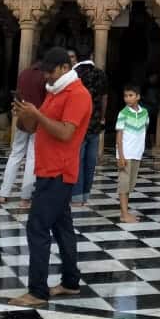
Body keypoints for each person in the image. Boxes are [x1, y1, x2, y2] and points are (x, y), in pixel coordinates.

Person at [10, 47, 92, 307]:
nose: (45, 75)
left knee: (37, 227)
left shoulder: (78, 95)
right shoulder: (54, 92)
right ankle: (70, 283)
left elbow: (66, 133)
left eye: (49, 70)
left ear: (64, 68)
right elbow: (33, 127)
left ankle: (37, 291)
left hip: (60, 171)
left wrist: (38, 115)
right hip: (46, 169)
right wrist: (25, 116)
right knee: (62, 228)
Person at [0, 48, 47, 211]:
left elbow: (18, 95)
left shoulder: (24, 73)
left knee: (15, 154)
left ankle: (3, 193)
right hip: (37, 119)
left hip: (22, 119)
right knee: (32, 157)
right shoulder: (44, 76)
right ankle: (25, 198)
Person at [69, 48, 107, 208]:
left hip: (78, 123)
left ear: (76, 58)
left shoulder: (73, 74)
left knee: (78, 160)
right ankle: (85, 195)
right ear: (92, 56)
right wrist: (102, 116)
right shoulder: (100, 74)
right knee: (91, 161)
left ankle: (76, 197)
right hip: (95, 123)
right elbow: (105, 97)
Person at [115, 83, 149, 223]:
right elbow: (119, 135)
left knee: (130, 185)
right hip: (126, 154)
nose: (127, 98)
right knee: (123, 184)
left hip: (136, 153)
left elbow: (144, 129)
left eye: (131, 95)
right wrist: (121, 156)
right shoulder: (123, 113)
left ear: (138, 97)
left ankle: (126, 211)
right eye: (125, 96)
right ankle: (124, 214)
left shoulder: (145, 113)